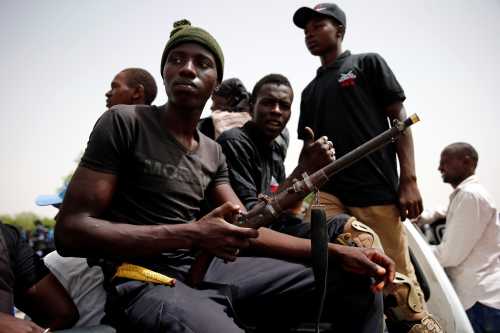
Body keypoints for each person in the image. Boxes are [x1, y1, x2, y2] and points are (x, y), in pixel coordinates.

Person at [55, 19, 394, 333]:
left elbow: (247, 226)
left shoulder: (212, 151)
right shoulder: (124, 123)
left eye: (202, 63)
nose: (187, 69)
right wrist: (193, 234)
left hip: (208, 272)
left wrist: (336, 253)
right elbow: (71, 232)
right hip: (146, 280)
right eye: (177, 60)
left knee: (358, 283)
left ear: (215, 81)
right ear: (164, 72)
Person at [292, 3, 442, 332]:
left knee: (400, 289)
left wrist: (409, 180)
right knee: (343, 274)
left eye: (318, 25)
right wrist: (296, 197)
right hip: (327, 195)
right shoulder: (309, 91)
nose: (310, 33)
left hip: (374, 191)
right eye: (306, 29)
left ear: (340, 31)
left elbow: (399, 120)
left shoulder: (367, 64)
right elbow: (307, 151)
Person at [217, 73, 377, 248]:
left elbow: (285, 206)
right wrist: (304, 169)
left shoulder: (275, 150)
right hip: (246, 239)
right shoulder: (234, 142)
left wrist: (313, 172)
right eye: (268, 103)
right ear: (251, 105)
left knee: (350, 230)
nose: (276, 110)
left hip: (275, 228)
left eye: (284, 106)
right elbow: (248, 220)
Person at [413, 143, 500, 333]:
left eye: (445, 162)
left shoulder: (470, 196)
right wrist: (424, 217)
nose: (439, 168)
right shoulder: (467, 196)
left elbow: (449, 256)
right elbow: (447, 211)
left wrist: (412, 249)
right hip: (479, 298)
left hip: (481, 300)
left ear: (466, 161)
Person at [0, 220, 78, 333]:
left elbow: (61, 313)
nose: (57, 217)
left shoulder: (9, 236)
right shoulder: (7, 235)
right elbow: (62, 313)